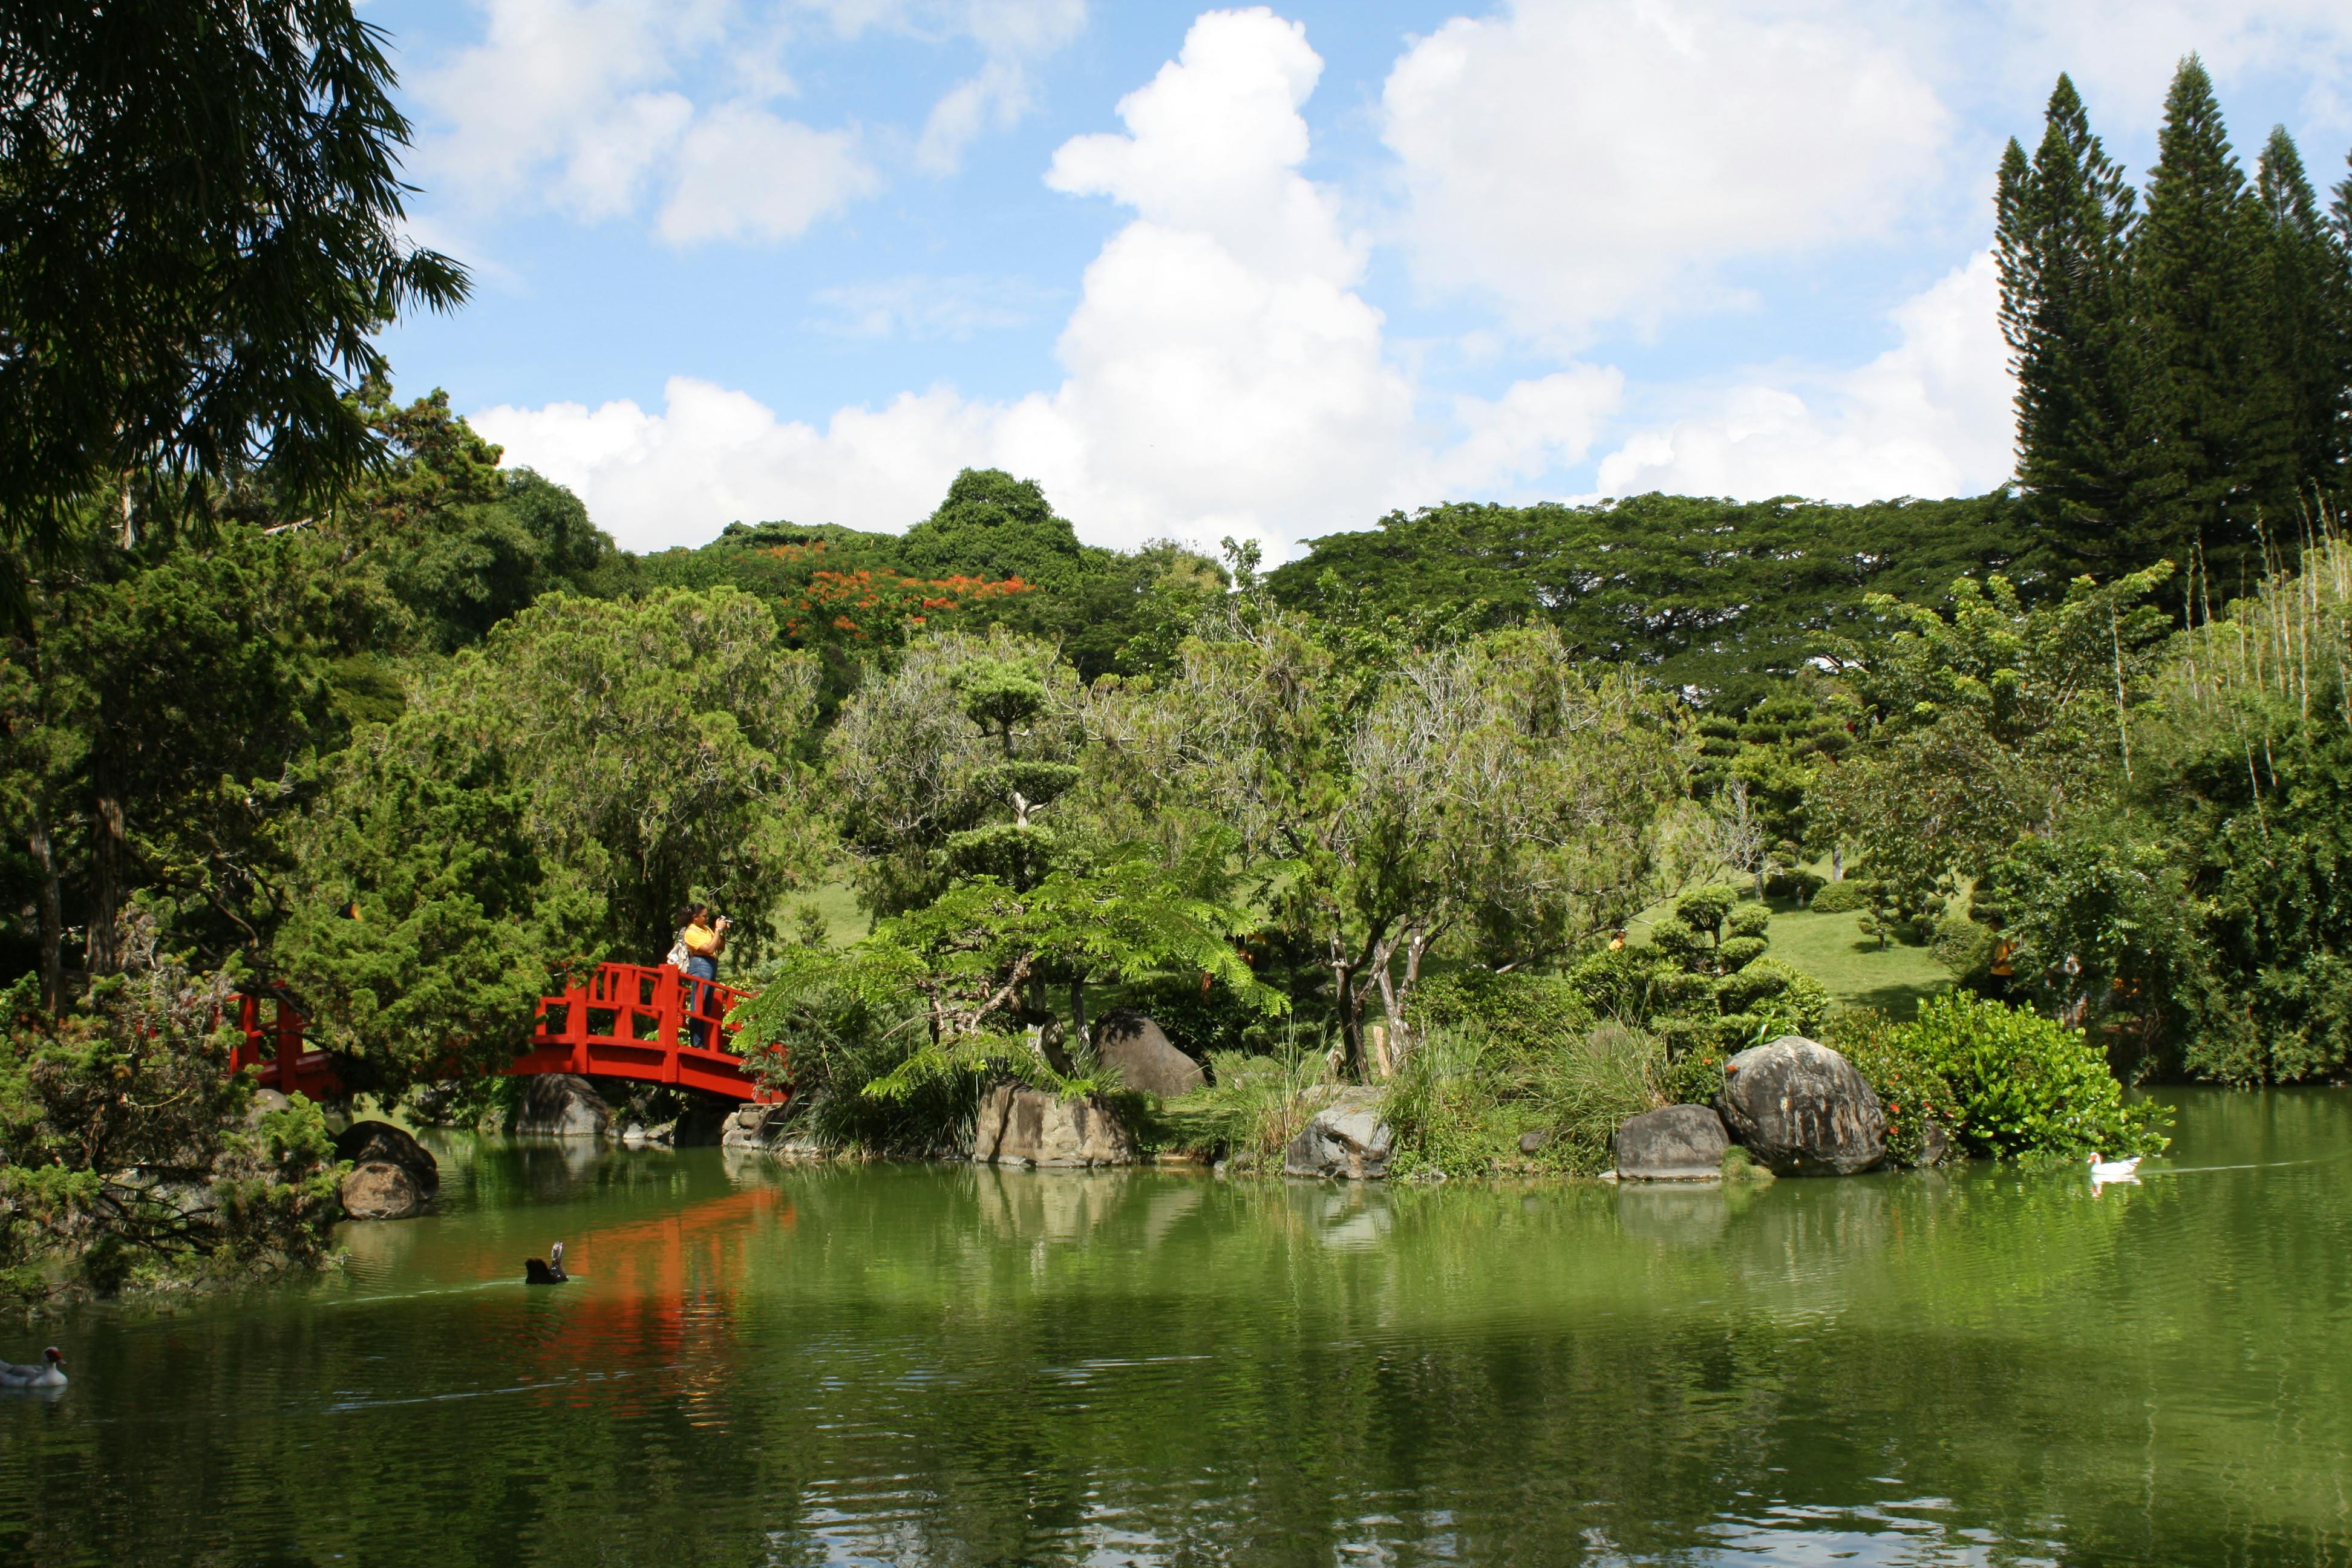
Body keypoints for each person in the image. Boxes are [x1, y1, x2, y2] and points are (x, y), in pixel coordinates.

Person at [674, 903, 730, 1049]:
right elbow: (710, 948)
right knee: (699, 1004)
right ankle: (697, 1044)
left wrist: (721, 932)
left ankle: (701, 1042)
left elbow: (720, 947)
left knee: (706, 1007)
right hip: (700, 964)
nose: (707, 919)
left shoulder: (706, 929)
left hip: (711, 964)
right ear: (695, 917)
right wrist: (717, 930)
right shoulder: (690, 932)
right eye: (704, 916)